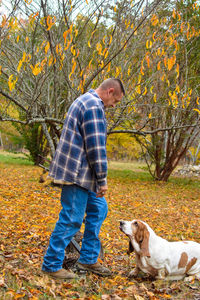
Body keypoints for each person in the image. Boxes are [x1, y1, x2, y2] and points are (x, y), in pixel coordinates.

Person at [42, 78, 125, 279]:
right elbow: (96, 147)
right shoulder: (93, 106)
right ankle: (51, 266)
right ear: (109, 91)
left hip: (84, 174)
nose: (113, 106)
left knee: (99, 209)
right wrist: (102, 179)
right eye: (115, 101)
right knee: (72, 218)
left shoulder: (85, 100)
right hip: (76, 173)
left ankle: (87, 259)